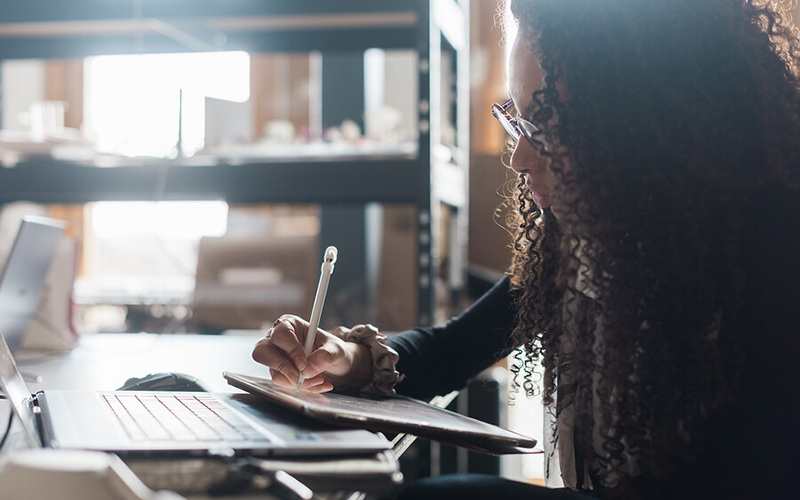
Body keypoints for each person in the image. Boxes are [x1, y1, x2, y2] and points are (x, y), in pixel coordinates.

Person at [252, 0, 800, 498]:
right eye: (518, 119)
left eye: (547, 125)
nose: (519, 158)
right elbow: (451, 350)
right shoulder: (587, 236)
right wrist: (342, 358)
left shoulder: (764, 248)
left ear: (645, 124)